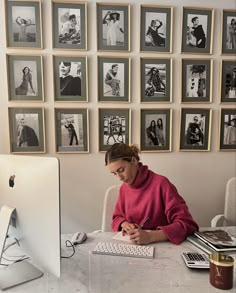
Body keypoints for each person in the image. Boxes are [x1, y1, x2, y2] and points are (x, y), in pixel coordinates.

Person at [105, 143, 199, 245]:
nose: (119, 178)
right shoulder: (124, 188)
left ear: (134, 161)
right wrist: (125, 224)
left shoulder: (161, 184)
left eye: (121, 170)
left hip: (163, 249)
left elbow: (187, 225)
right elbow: (117, 217)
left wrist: (151, 236)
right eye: (114, 173)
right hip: (133, 248)